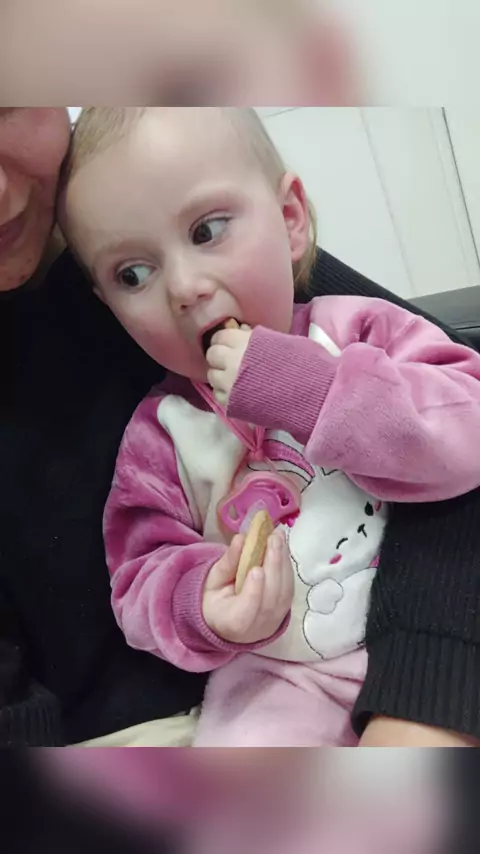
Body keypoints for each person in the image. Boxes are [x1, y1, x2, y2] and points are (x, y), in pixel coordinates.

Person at [1, 107, 479, 748]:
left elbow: (466, 421)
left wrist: (314, 391)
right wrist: (203, 604)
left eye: (207, 230)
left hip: (425, 642)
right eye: (132, 274)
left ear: (290, 218)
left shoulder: (360, 332)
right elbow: (141, 574)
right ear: (106, 307)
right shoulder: (162, 433)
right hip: (276, 681)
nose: (185, 288)